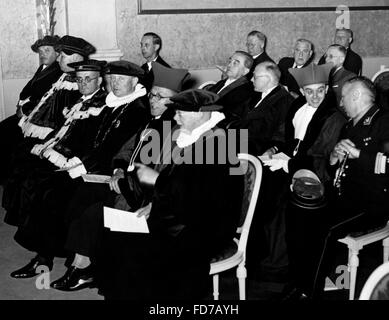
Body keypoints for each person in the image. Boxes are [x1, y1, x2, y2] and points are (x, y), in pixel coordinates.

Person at [49, 62, 190, 291]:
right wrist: (119, 169)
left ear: (174, 102)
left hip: (142, 194)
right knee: (82, 201)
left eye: (160, 97)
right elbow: (126, 150)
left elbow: (160, 174)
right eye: (152, 95)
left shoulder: (173, 129)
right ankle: (80, 265)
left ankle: (84, 269)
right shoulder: (150, 120)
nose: (153, 101)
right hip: (125, 182)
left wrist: (126, 181)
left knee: (93, 215)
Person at [96, 89, 244, 300]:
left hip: (205, 225)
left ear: (200, 113)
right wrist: (155, 204)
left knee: (141, 252)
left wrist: (155, 181)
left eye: (180, 113)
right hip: (180, 213)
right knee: (117, 240)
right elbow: (178, 188)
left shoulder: (220, 143)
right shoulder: (188, 136)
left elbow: (199, 197)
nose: (175, 117)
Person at [9, 60, 150, 279]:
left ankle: (49, 257)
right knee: (43, 186)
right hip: (90, 164)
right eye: (113, 79)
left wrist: (80, 166)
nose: (115, 84)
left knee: (51, 192)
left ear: (135, 82)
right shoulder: (115, 103)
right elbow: (95, 143)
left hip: (106, 172)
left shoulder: (137, 109)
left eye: (121, 80)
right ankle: (44, 256)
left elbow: (117, 151)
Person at [284, 76, 389, 300]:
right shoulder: (350, 124)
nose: (341, 103)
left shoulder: (384, 122)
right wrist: (333, 157)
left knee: (324, 227)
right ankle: (297, 280)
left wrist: (359, 154)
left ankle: (307, 292)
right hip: (342, 197)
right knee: (296, 211)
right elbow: (335, 170)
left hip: (371, 203)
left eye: (344, 98)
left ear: (357, 95)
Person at [249, 63, 339, 284]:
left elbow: (322, 157)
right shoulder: (297, 105)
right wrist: (275, 150)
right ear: (302, 92)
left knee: (279, 199)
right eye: (309, 91)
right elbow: (284, 136)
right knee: (260, 186)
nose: (315, 96)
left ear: (327, 89)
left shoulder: (333, 117)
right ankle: (258, 256)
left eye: (320, 90)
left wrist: (289, 164)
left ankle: (278, 264)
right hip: (289, 162)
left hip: (314, 175)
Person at [0, 35, 62, 181]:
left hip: (40, 118)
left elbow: (47, 100)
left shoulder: (58, 71)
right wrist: (21, 104)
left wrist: (24, 109)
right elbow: (28, 91)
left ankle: (6, 178)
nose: (42, 54)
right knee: (3, 130)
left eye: (47, 50)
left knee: (7, 135)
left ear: (57, 53)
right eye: (40, 51)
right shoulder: (43, 67)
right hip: (26, 113)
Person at [18, 35, 96, 140]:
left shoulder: (76, 84)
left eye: (62, 56)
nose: (58, 59)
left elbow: (61, 120)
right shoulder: (66, 77)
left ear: (75, 59)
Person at [237, 61, 294, 156]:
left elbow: (281, 135)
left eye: (255, 77)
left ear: (267, 79)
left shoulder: (284, 101)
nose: (251, 79)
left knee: (210, 151)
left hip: (255, 148)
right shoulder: (257, 94)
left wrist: (274, 149)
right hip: (240, 138)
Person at [207, 51, 254, 123]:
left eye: (235, 63)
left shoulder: (247, 90)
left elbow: (236, 121)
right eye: (230, 61)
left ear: (245, 71)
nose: (229, 65)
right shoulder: (221, 83)